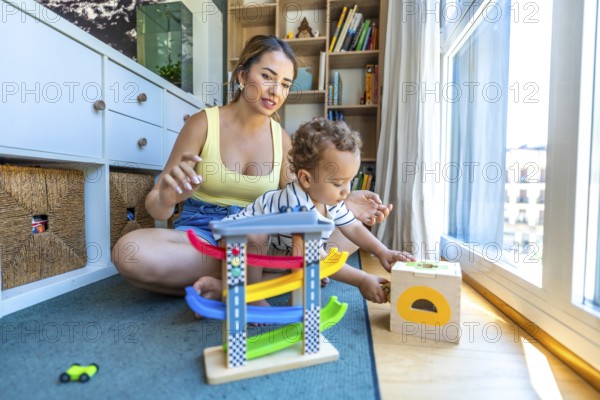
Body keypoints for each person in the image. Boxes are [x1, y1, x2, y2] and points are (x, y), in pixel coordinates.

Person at [112, 35, 396, 301]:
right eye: (267, 77)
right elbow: (156, 209)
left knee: (352, 233)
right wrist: (167, 197)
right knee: (129, 252)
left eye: (285, 84)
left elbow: (303, 202)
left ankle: (242, 281)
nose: (276, 91)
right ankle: (273, 275)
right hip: (206, 235)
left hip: (264, 239)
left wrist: (346, 201)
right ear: (242, 74)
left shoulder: (283, 139)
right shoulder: (201, 123)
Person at [203, 117, 415, 304]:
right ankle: (252, 295)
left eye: (350, 181)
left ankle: (223, 288)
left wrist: (381, 251)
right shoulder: (297, 204)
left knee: (302, 267)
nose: (347, 191)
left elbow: (353, 226)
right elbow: (318, 256)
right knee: (257, 236)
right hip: (236, 241)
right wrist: (361, 279)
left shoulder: (329, 197)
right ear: (305, 178)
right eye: (339, 183)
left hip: (277, 248)